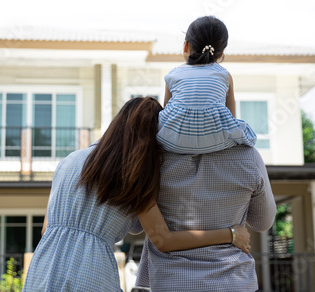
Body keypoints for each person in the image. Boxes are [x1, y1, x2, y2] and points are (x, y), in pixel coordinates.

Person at [22, 97, 251, 292]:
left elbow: (46, 229)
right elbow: (163, 240)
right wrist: (231, 234)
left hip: (42, 271)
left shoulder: (69, 161)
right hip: (90, 274)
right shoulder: (132, 173)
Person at [135, 146, 277, 291]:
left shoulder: (149, 158)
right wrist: (231, 233)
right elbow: (263, 223)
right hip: (233, 281)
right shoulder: (249, 156)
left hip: (174, 282)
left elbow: (134, 226)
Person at [157, 15, 257, 154]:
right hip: (217, 141)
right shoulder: (224, 76)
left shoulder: (173, 75)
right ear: (221, 54)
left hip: (173, 142)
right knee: (245, 129)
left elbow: (166, 113)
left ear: (186, 45)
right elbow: (231, 117)